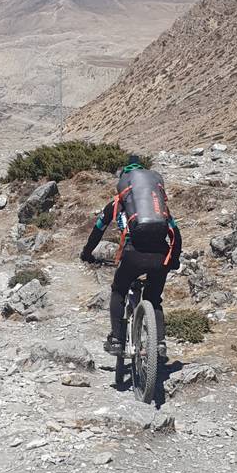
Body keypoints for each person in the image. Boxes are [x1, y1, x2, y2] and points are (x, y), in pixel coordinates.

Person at [81, 154, 182, 359]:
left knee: (119, 291)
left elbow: (98, 230)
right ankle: (159, 343)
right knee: (154, 299)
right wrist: (174, 259)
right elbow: (176, 234)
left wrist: (87, 253)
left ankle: (117, 340)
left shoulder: (117, 204)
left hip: (132, 254)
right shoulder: (158, 207)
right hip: (160, 256)